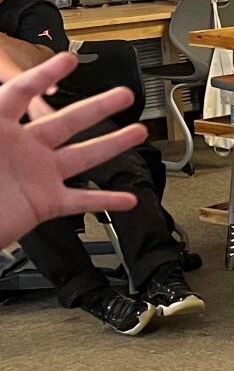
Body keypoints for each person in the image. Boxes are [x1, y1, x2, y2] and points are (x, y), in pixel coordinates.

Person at [1, 0, 203, 335]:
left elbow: (38, 66)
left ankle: (160, 275)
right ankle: (94, 295)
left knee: (122, 164)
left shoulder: (31, 13)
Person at [0, 47, 149, 250]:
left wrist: (29, 94)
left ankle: (159, 270)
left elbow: (37, 59)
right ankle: (80, 282)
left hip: (47, 114)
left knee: (122, 162)